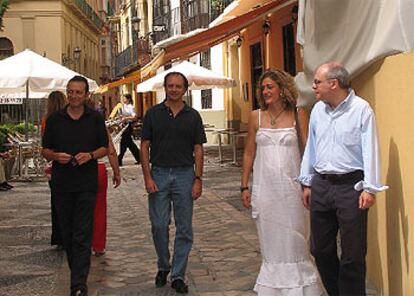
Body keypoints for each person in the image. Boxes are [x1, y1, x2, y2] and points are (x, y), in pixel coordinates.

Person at [298, 62, 388, 296]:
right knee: (320, 250)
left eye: (317, 81)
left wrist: (369, 188)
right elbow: (312, 149)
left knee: (353, 254)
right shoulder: (318, 110)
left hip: (351, 187)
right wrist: (307, 182)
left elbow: (370, 149)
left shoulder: (361, 109)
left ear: (333, 83)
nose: (314, 86)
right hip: (321, 184)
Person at [241, 69, 325, 295]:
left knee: (296, 239)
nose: (265, 91)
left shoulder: (299, 114)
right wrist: (244, 185)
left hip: (292, 190)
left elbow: (307, 150)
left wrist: (309, 183)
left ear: (282, 89)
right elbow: (249, 152)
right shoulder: (255, 116)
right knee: (271, 242)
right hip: (265, 190)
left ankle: (302, 288)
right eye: (263, 88)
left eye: (270, 87)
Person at [42, 75, 108, 296]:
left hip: (86, 183)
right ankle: (77, 276)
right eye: (70, 91)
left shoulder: (95, 119)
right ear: (67, 93)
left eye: (78, 92)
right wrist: (55, 156)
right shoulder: (55, 120)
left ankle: (78, 283)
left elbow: (104, 148)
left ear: (86, 95)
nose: (74, 96)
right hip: (61, 185)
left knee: (82, 233)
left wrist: (89, 155)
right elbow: (44, 150)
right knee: (68, 234)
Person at [140, 72, 206, 294]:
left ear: (185, 89)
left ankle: (178, 274)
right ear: (165, 88)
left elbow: (198, 148)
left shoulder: (193, 116)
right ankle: (163, 265)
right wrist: (147, 176)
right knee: (159, 225)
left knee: (184, 228)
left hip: (185, 175)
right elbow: (144, 146)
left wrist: (198, 178)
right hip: (158, 173)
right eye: (170, 86)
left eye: (178, 86)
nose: (174, 89)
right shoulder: (153, 114)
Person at [85, 98, 121, 257]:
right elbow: (110, 150)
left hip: (80, 169)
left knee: (80, 210)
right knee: (99, 209)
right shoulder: (99, 124)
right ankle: (99, 246)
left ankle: (82, 243)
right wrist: (116, 171)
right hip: (99, 168)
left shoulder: (72, 124)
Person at [41, 90, 66, 249]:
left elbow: (45, 145)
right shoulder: (66, 119)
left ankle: (58, 237)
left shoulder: (46, 120)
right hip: (65, 162)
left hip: (52, 166)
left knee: (56, 201)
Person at [117, 94, 140, 166]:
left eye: (124, 98)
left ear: (128, 99)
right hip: (124, 126)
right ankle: (139, 158)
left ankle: (119, 159)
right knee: (130, 144)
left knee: (123, 143)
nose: (123, 99)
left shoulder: (130, 107)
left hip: (128, 126)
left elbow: (134, 117)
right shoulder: (123, 106)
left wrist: (126, 118)